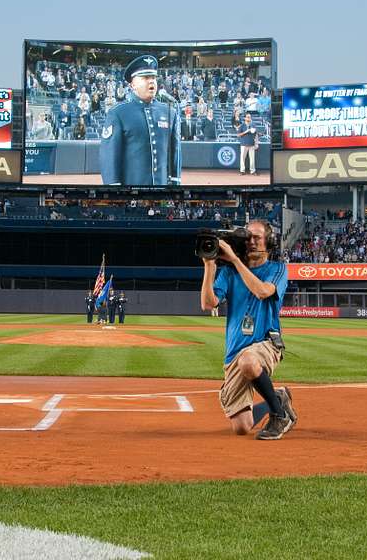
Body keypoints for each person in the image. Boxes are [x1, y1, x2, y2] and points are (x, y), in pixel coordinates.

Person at [200, 219, 295, 440]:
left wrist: (234, 259)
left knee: (249, 361)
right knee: (242, 427)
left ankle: (279, 415)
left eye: (257, 238)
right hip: (235, 353)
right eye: (247, 237)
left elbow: (262, 291)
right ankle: (277, 398)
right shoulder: (230, 273)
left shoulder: (277, 269)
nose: (251, 242)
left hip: (266, 344)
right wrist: (209, 265)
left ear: (269, 241)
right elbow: (208, 303)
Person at [100, 55, 182, 186]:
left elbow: (174, 154)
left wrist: (175, 184)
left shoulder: (169, 111)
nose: (151, 82)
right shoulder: (118, 113)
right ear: (133, 84)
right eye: (145, 78)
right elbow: (110, 157)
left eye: (153, 78)